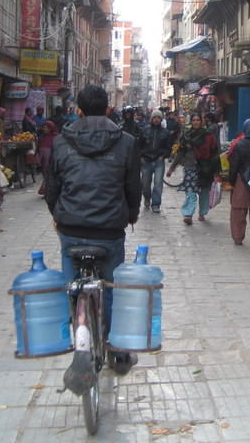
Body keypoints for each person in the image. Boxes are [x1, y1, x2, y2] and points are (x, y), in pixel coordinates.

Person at [45, 85, 142, 384]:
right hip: (111, 230)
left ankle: (72, 329)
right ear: (109, 109)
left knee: (69, 285)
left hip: (71, 230)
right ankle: (116, 350)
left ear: (79, 111)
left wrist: (58, 215)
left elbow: (52, 188)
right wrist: (131, 214)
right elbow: (133, 187)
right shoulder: (126, 142)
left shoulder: (62, 142)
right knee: (111, 288)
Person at [167, 113, 219, 225]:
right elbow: (180, 152)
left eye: (198, 120)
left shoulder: (208, 135)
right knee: (190, 191)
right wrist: (172, 168)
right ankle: (188, 214)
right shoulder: (186, 136)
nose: (196, 122)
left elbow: (215, 153)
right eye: (194, 120)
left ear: (201, 122)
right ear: (191, 122)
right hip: (190, 167)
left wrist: (216, 171)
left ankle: (202, 212)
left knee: (204, 192)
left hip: (205, 167)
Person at [139, 110, 171, 213]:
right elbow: (139, 145)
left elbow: (168, 147)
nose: (156, 119)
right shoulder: (145, 130)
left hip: (158, 161)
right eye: (155, 117)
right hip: (146, 160)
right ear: (151, 119)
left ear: (161, 119)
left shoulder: (165, 132)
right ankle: (147, 198)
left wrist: (163, 155)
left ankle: (156, 204)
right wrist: (141, 157)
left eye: (158, 118)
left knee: (158, 184)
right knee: (145, 184)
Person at [36, 120, 58, 195]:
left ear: (50, 128)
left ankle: (47, 190)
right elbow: (38, 148)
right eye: (43, 127)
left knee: (49, 175)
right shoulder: (42, 137)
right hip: (43, 160)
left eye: (46, 128)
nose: (44, 129)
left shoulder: (56, 137)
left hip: (51, 160)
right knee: (45, 175)